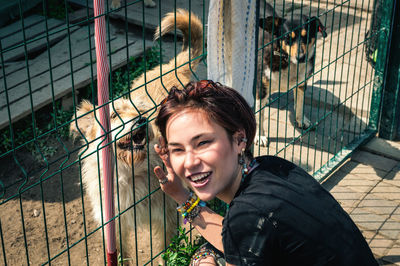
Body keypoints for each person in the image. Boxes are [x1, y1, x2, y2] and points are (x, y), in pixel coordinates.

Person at [153, 80, 378, 266]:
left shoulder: (248, 213)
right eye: (177, 149)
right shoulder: (271, 166)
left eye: (203, 143)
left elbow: (245, 228)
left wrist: (202, 259)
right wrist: (181, 196)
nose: (190, 162)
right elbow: (247, 237)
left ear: (240, 139)